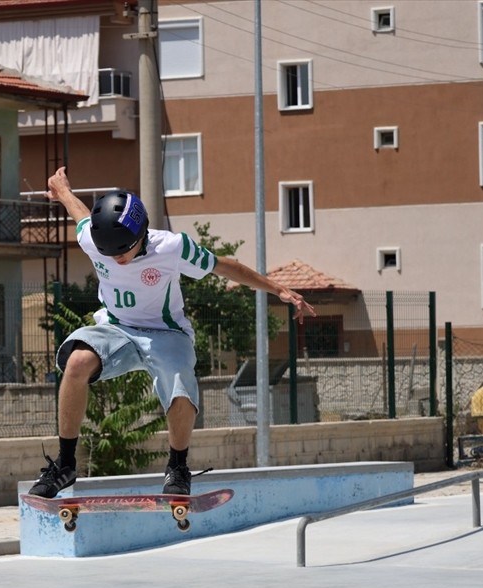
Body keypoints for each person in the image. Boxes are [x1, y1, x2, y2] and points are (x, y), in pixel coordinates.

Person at [29, 167, 316, 498]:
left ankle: (178, 466)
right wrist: (63, 190)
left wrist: (278, 290)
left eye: (123, 251)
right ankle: (65, 466)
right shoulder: (93, 239)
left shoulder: (172, 247)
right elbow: (79, 213)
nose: (117, 260)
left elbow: (223, 265)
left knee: (180, 386)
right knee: (77, 362)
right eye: (110, 254)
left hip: (166, 333)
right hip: (115, 327)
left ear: (141, 236)